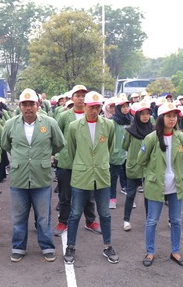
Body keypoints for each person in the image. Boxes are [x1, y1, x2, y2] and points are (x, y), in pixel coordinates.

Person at [1, 88, 64, 262]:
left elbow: (59, 144)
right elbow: (5, 145)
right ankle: (18, 247)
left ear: (38, 105)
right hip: (19, 177)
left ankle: (47, 246)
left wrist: (47, 156)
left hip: (41, 176)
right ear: (20, 106)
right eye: (25, 104)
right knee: (19, 216)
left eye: (32, 104)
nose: (28, 108)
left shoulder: (50, 123)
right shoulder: (10, 124)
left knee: (44, 216)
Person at [64, 91, 119, 265]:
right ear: (84, 106)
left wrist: (100, 163)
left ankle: (107, 246)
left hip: (101, 174)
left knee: (105, 214)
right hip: (81, 174)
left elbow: (109, 148)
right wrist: (83, 163)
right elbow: (72, 151)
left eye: (97, 107)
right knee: (74, 214)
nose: (94, 111)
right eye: (91, 107)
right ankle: (71, 247)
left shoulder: (108, 125)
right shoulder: (74, 126)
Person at [137, 102, 183, 267]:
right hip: (156, 185)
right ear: (161, 118)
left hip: (176, 186)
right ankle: (150, 252)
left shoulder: (181, 137)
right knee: (152, 221)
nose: (172, 119)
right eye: (168, 116)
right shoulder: (151, 138)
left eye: (174, 116)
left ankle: (175, 251)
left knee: (176, 220)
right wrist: (151, 174)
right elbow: (141, 160)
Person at [54, 85, 101, 237]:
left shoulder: (94, 116)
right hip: (67, 162)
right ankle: (63, 221)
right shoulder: (64, 116)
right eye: (78, 95)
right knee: (65, 194)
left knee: (89, 194)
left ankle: (90, 221)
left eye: (83, 96)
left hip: (88, 163)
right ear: (71, 98)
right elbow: (56, 135)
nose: (81, 98)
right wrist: (58, 154)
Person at [122, 101, 154, 231]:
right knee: (130, 194)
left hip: (148, 167)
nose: (145, 116)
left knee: (148, 195)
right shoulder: (130, 130)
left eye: (147, 114)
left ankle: (149, 220)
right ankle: (126, 220)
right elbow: (124, 145)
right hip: (134, 166)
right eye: (143, 114)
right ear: (137, 115)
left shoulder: (153, 130)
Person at [108, 96, 131, 209]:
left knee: (129, 178)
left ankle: (130, 200)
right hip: (116, 153)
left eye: (127, 106)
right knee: (113, 177)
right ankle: (112, 198)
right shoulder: (113, 121)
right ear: (118, 108)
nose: (126, 109)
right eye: (123, 107)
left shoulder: (131, 119)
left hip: (129, 153)